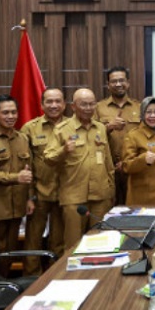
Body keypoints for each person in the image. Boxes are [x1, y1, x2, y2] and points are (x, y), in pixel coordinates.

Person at [45, 88, 115, 250]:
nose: (89, 108)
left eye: (92, 104)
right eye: (84, 104)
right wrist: (63, 150)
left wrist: (110, 192)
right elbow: (48, 158)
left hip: (100, 195)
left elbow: (108, 163)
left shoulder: (100, 128)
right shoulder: (62, 129)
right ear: (73, 106)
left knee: (101, 243)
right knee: (73, 246)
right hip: (74, 198)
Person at [0, 94, 32, 276]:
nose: (11, 116)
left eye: (14, 112)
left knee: (10, 251)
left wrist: (29, 198)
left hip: (17, 205)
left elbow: (28, 171)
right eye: (5, 112)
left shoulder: (22, 138)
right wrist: (15, 178)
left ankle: (6, 284)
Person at [20, 88, 67, 276]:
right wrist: (28, 196)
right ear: (42, 105)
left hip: (64, 194)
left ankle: (55, 278)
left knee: (59, 242)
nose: (54, 105)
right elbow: (25, 166)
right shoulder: (30, 128)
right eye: (49, 101)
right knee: (33, 241)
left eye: (58, 101)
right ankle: (32, 282)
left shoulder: (72, 126)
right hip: (39, 194)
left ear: (64, 104)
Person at [94, 67, 141, 205]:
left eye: (122, 80)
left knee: (134, 209)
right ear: (108, 85)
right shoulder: (98, 108)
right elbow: (90, 136)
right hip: (107, 168)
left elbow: (145, 136)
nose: (118, 84)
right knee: (108, 211)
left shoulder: (139, 107)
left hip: (133, 167)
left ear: (128, 83)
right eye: (114, 81)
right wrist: (108, 127)